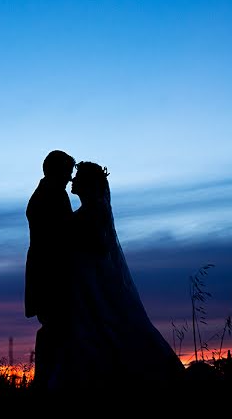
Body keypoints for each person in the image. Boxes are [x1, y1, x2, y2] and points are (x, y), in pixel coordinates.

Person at [49, 160, 184, 393]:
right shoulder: (89, 209)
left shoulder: (96, 210)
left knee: (108, 327)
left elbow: (100, 247)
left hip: (94, 282)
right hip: (84, 282)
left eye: (78, 177)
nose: (73, 181)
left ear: (89, 183)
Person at [25, 149, 76, 391]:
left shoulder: (48, 193)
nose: (70, 179)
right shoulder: (52, 196)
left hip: (47, 272)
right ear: (57, 171)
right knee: (55, 329)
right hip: (51, 275)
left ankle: (49, 382)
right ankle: (49, 385)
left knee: (55, 329)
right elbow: (62, 236)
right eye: (67, 172)